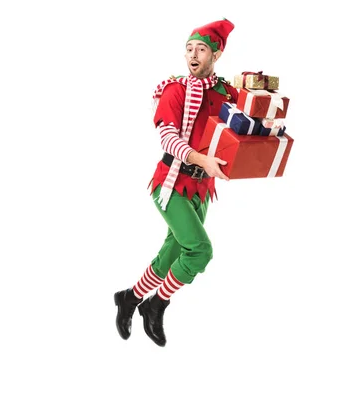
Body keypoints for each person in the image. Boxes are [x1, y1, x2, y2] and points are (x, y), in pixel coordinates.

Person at [114, 18, 239, 347]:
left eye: (201, 49)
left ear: (216, 55)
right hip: (170, 184)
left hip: (202, 189)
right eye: (189, 49)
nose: (193, 55)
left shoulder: (224, 92)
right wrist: (203, 161)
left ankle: (129, 298)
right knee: (199, 251)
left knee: (172, 253)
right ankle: (155, 305)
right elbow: (168, 140)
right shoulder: (175, 90)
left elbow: (247, 118)